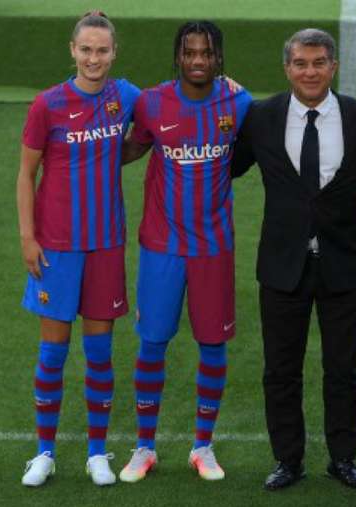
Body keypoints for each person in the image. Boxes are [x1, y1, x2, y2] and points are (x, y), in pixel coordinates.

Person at [231, 28, 356, 491]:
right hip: (282, 267)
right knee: (280, 371)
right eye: (301, 63)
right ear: (287, 68)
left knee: (343, 370)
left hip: (345, 267)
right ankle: (288, 460)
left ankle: (343, 459)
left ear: (333, 66)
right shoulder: (261, 118)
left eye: (319, 62)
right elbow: (221, 166)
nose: (310, 71)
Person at [117, 21, 251, 483]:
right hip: (162, 247)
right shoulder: (151, 102)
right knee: (152, 344)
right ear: (177, 56)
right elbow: (131, 147)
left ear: (219, 58)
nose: (198, 60)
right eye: (190, 52)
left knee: (213, 344)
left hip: (214, 247)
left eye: (207, 53)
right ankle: (144, 446)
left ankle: (202, 446)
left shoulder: (240, 102)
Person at [16, 11, 140, 487]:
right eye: (86, 49)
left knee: (100, 352)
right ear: (73, 50)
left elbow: (163, 118)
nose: (94, 58)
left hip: (105, 245)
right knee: (52, 352)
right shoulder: (46, 105)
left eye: (102, 50)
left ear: (114, 53)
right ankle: (44, 453)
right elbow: (26, 175)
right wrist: (28, 238)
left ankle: (97, 453)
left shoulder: (125, 97)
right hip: (56, 249)